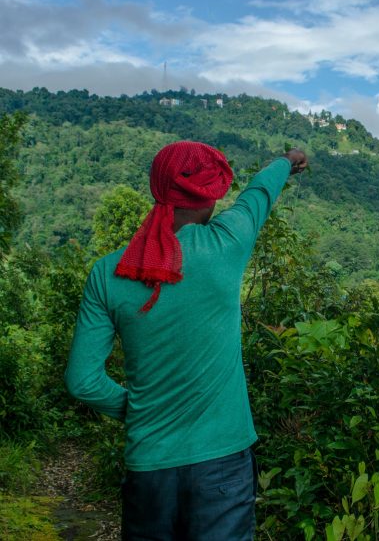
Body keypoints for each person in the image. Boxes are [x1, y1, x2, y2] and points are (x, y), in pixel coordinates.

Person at [65, 141, 308, 540]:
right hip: (222, 463)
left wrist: (143, 410)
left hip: (149, 468)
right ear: (210, 195)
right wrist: (287, 160)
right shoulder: (225, 244)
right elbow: (257, 194)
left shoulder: (108, 272)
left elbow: (82, 380)